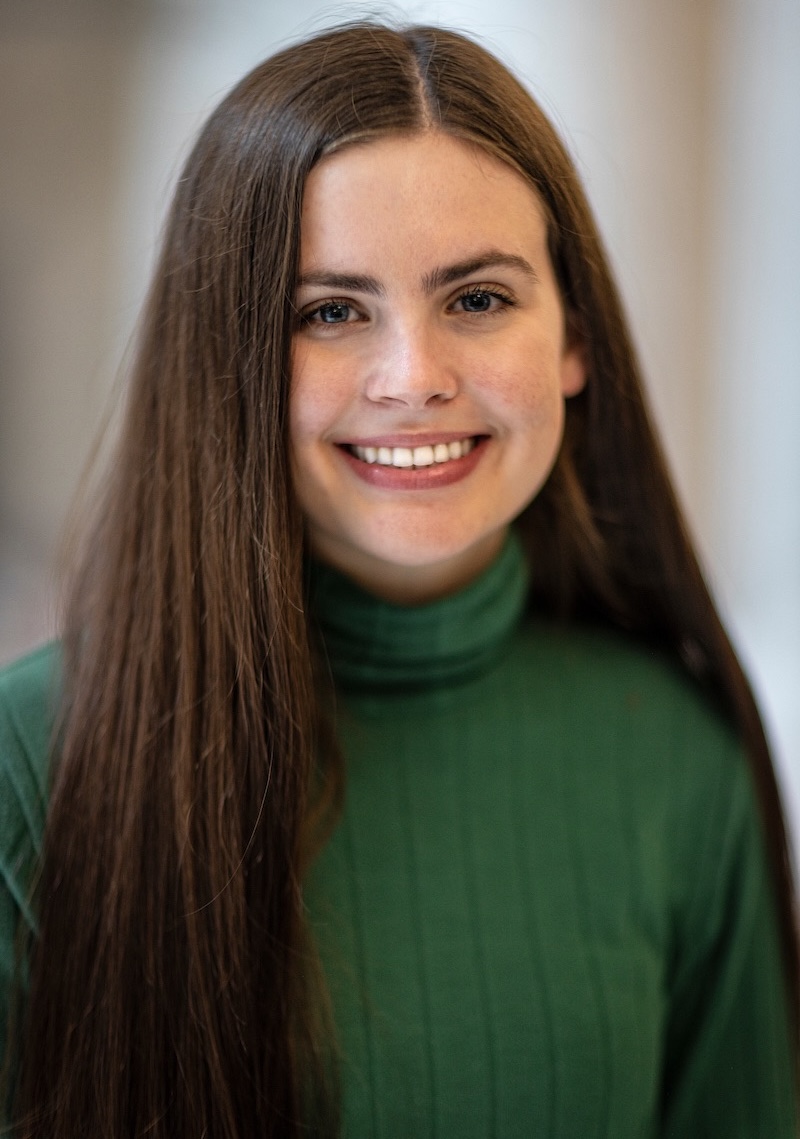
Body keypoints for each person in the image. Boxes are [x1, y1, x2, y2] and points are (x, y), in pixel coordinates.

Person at [0, 20, 796, 1139]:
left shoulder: (676, 760)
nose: (413, 377)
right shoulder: (31, 763)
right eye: (329, 311)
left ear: (573, 338)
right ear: (221, 362)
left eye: (476, 298)